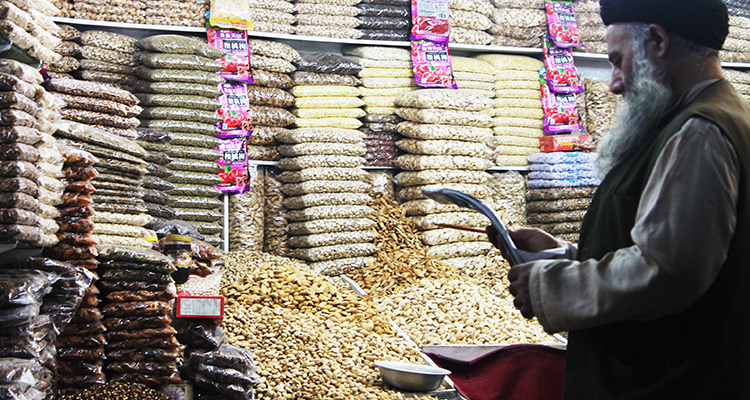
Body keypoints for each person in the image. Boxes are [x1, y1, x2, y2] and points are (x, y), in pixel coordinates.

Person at [487, 0, 750, 398]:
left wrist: (550, 285)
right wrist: (562, 255)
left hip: (671, 380)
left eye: (617, 60)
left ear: (658, 41)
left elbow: (667, 271)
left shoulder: (699, 132)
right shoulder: (704, 119)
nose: (614, 82)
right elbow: (671, 245)